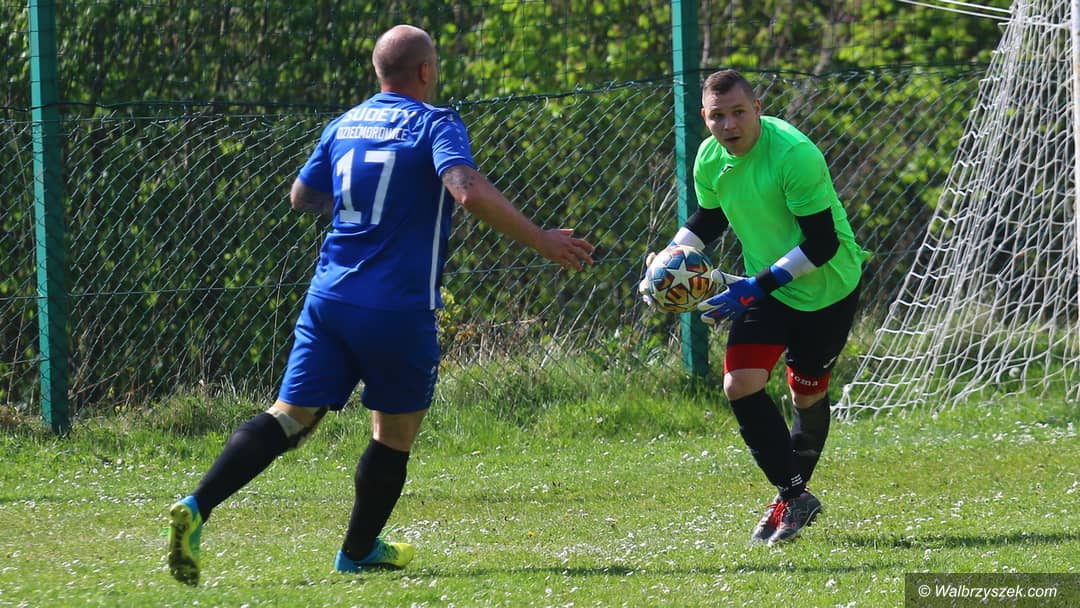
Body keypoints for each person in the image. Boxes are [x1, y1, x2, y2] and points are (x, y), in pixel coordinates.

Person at [166, 24, 595, 586]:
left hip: (330, 297)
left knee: (288, 417)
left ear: (378, 71)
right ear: (425, 71)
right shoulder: (435, 122)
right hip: (397, 307)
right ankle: (357, 550)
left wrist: (359, 209)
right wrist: (541, 239)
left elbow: (301, 196)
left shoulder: (344, 124)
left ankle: (197, 505)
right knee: (393, 435)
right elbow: (466, 189)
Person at [638, 69, 866, 545]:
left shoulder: (793, 154)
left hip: (827, 289)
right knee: (739, 384)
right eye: (717, 116)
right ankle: (796, 497)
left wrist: (753, 289)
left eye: (739, 112)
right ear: (704, 117)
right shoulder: (709, 157)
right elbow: (710, 218)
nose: (729, 125)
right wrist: (665, 262)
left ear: (757, 109)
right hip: (769, 290)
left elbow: (822, 244)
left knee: (806, 397)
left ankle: (788, 501)